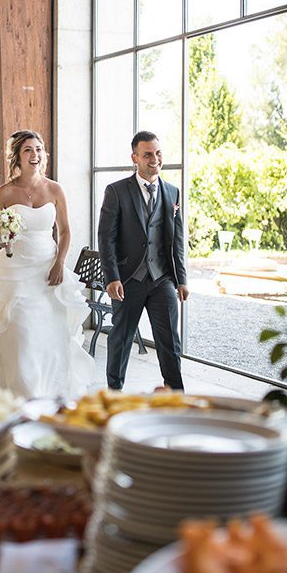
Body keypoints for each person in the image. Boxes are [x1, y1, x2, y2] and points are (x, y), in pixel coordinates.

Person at [0, 130, 94, 400]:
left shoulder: (55, 189)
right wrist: (4, 239)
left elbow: (66, 231)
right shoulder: (4, 192)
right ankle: (23, 396)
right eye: (28, 150)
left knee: (49, 336)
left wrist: (60, 263)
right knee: (21, 334)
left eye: (38, 149)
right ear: (18, 156)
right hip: (16, 271)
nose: (34, 155)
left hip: (48, 271)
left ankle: (50, 394)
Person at [97, 130, 188, 391]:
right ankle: (114, 393)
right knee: (121, 339)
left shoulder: (172, 192)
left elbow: (177, 240)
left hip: (162, 279)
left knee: (170, 341)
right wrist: (112, 277)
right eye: (147, 154)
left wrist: (181, 279)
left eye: (158, 153)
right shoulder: (116, 191)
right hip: (128, 279)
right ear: (134, 157)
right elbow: (106, 238)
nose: (155, 159)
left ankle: (176, 394)